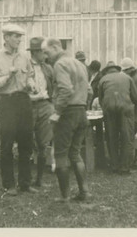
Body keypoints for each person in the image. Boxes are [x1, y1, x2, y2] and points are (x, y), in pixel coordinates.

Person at [0, 24, 37, 196]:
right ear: (6, 38)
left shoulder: (25, 56)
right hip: (7, 103)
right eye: (15, 36)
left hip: (24, 101)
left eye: (20, 37)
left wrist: (31, 85)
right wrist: (8, 76)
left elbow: (30, 76)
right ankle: (9, 185)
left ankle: (25, 183)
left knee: (26, 144)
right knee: (7, 145)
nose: (19, 40)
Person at [42, 38, 90, 202]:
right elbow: (88, 90)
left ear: (55, 48)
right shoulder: (80, 64)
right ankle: (84, 192)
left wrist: (58, 112)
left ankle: (64, 197)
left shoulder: (60, 64)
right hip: (81, 111)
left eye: (46, 52)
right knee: (75, 153)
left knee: (61, 155)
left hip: (67, 113)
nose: (45, 56)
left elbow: (65, 89)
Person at [27, 37, 54, 187]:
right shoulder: (24, 66)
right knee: (27, 141)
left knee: (43, 143)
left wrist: (52, 104)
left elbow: (54, 87)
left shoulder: (48, 68)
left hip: (45, 106)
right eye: (43, 52)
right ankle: (26, 178)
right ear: (36, 52)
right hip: (28, 106)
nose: (46, 55)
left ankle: (39, 179)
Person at [121, 57, 137, 165]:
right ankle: (132, 158)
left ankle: (135, 157)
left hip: (136, 111)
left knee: (133, 133)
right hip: (130, 110)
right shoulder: (130, 78)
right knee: (130, 134)